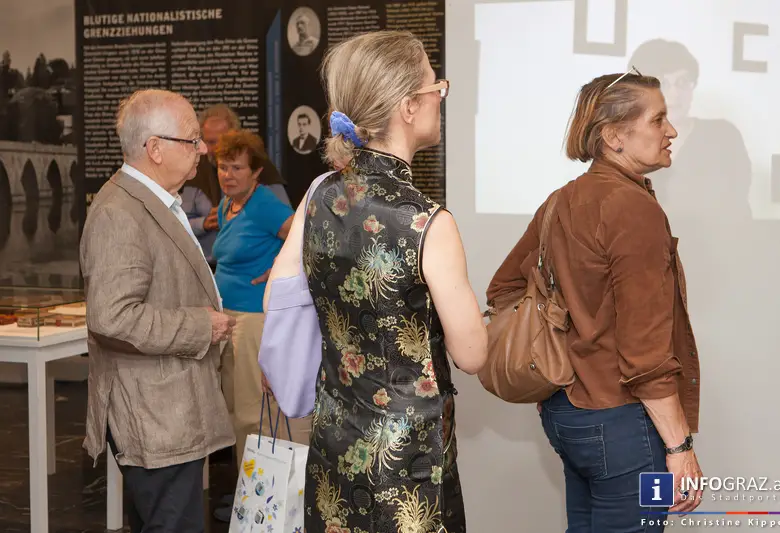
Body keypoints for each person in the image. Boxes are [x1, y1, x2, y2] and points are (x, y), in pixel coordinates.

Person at [264, 30, 487, 533]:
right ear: (409, 105)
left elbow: (277, 295)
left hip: (333, 446)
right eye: (437, 86)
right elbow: (473, 356)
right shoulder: (428, 220)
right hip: (409, 468)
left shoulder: (317, 197)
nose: (440, 96)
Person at [486, 69, 703, 532]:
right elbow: (645, 353)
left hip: (567, 416)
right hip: (624, 424)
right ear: (613, 136)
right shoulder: (634, 210)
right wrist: (680, 448)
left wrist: (555, 370)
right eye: (658, 120)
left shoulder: (562, 200)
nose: (672, 131)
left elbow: (503, 289)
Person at [79, 88, 236, 532]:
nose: (203, 149)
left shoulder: (152, 201)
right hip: (155, 415)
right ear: (155, 149)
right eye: (191, 140)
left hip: (168, 410)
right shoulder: (120, 213)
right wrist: (199, 325)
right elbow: (112, 316)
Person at [210, 129, 310, 522]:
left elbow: (301, 240)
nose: (228, 175)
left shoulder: (264, 205)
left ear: (255, 173)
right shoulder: (227, 205)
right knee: (237, 413)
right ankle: (246, 496)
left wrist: (278, 270)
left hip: (253, 322)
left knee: (252, 415)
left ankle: (255, 501)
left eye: (237, 168)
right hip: (228, 320)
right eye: (222, 166)